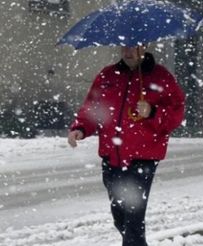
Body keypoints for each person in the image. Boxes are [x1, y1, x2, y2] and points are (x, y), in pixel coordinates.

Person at [67, 45, 185, 246]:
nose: (128, 51)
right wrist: (81, 128)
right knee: (120, 215)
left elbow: (176, 115)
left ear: (144, 47)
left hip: (143, 158)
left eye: (134, 47)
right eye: (125, 47)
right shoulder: (108, 75)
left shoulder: (161, 77)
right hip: (111, 156)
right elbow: (92, 108)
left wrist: (153, 111)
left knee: (133, 218)